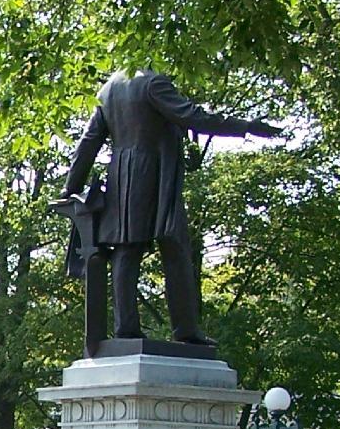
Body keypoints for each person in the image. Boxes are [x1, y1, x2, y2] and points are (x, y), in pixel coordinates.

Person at [58, 69, 279, 344]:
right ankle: (185, 330)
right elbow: (194, 117)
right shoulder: (153, 83)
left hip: (120, 175)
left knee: (127, 249)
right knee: (174, 245)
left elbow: (88, 141)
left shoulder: (109, 89)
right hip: (154, 173)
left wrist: (71, 186)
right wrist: (244, 126)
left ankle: (127, 328)